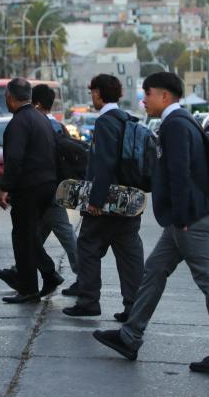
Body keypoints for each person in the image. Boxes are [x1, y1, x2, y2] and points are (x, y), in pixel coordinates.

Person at [93, 72, 209, 376]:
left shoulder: (176, 125)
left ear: (164, 96)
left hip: (188, 219)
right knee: (154, 272)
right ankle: (130, 335)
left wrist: (184, 215)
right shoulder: (181, 122)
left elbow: (180, 173)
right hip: (182, 218)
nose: (143, 100)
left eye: (146, 94)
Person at [63, 75, 144, 321]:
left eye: (92, 93)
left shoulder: (106, 122)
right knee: (129, 255)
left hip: (107, 200)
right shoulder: (127, 119)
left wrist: (95, 200)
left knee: (87, 247)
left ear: (98, 93)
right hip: (127, 199)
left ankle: (88, 301)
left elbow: (105, 163)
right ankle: (133, 306)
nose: (92, 97)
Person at [0, 78, 60, 304]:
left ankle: (28, 288)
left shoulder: (19, 122)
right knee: (29, 235)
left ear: (10, 97)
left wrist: (4, 188)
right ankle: (49, 274)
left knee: (22, 237)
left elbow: (14, 158)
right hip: (47, 185)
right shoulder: (41, 118)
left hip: (29, 187)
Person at [32, 84, 78, 296]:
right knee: (35, 235)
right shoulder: (59, 126)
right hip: (58, 187)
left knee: (65, 234)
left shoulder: (39, 125)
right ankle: (27, 272)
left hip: (46, 191)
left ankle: (84, 278)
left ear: (37, 104)